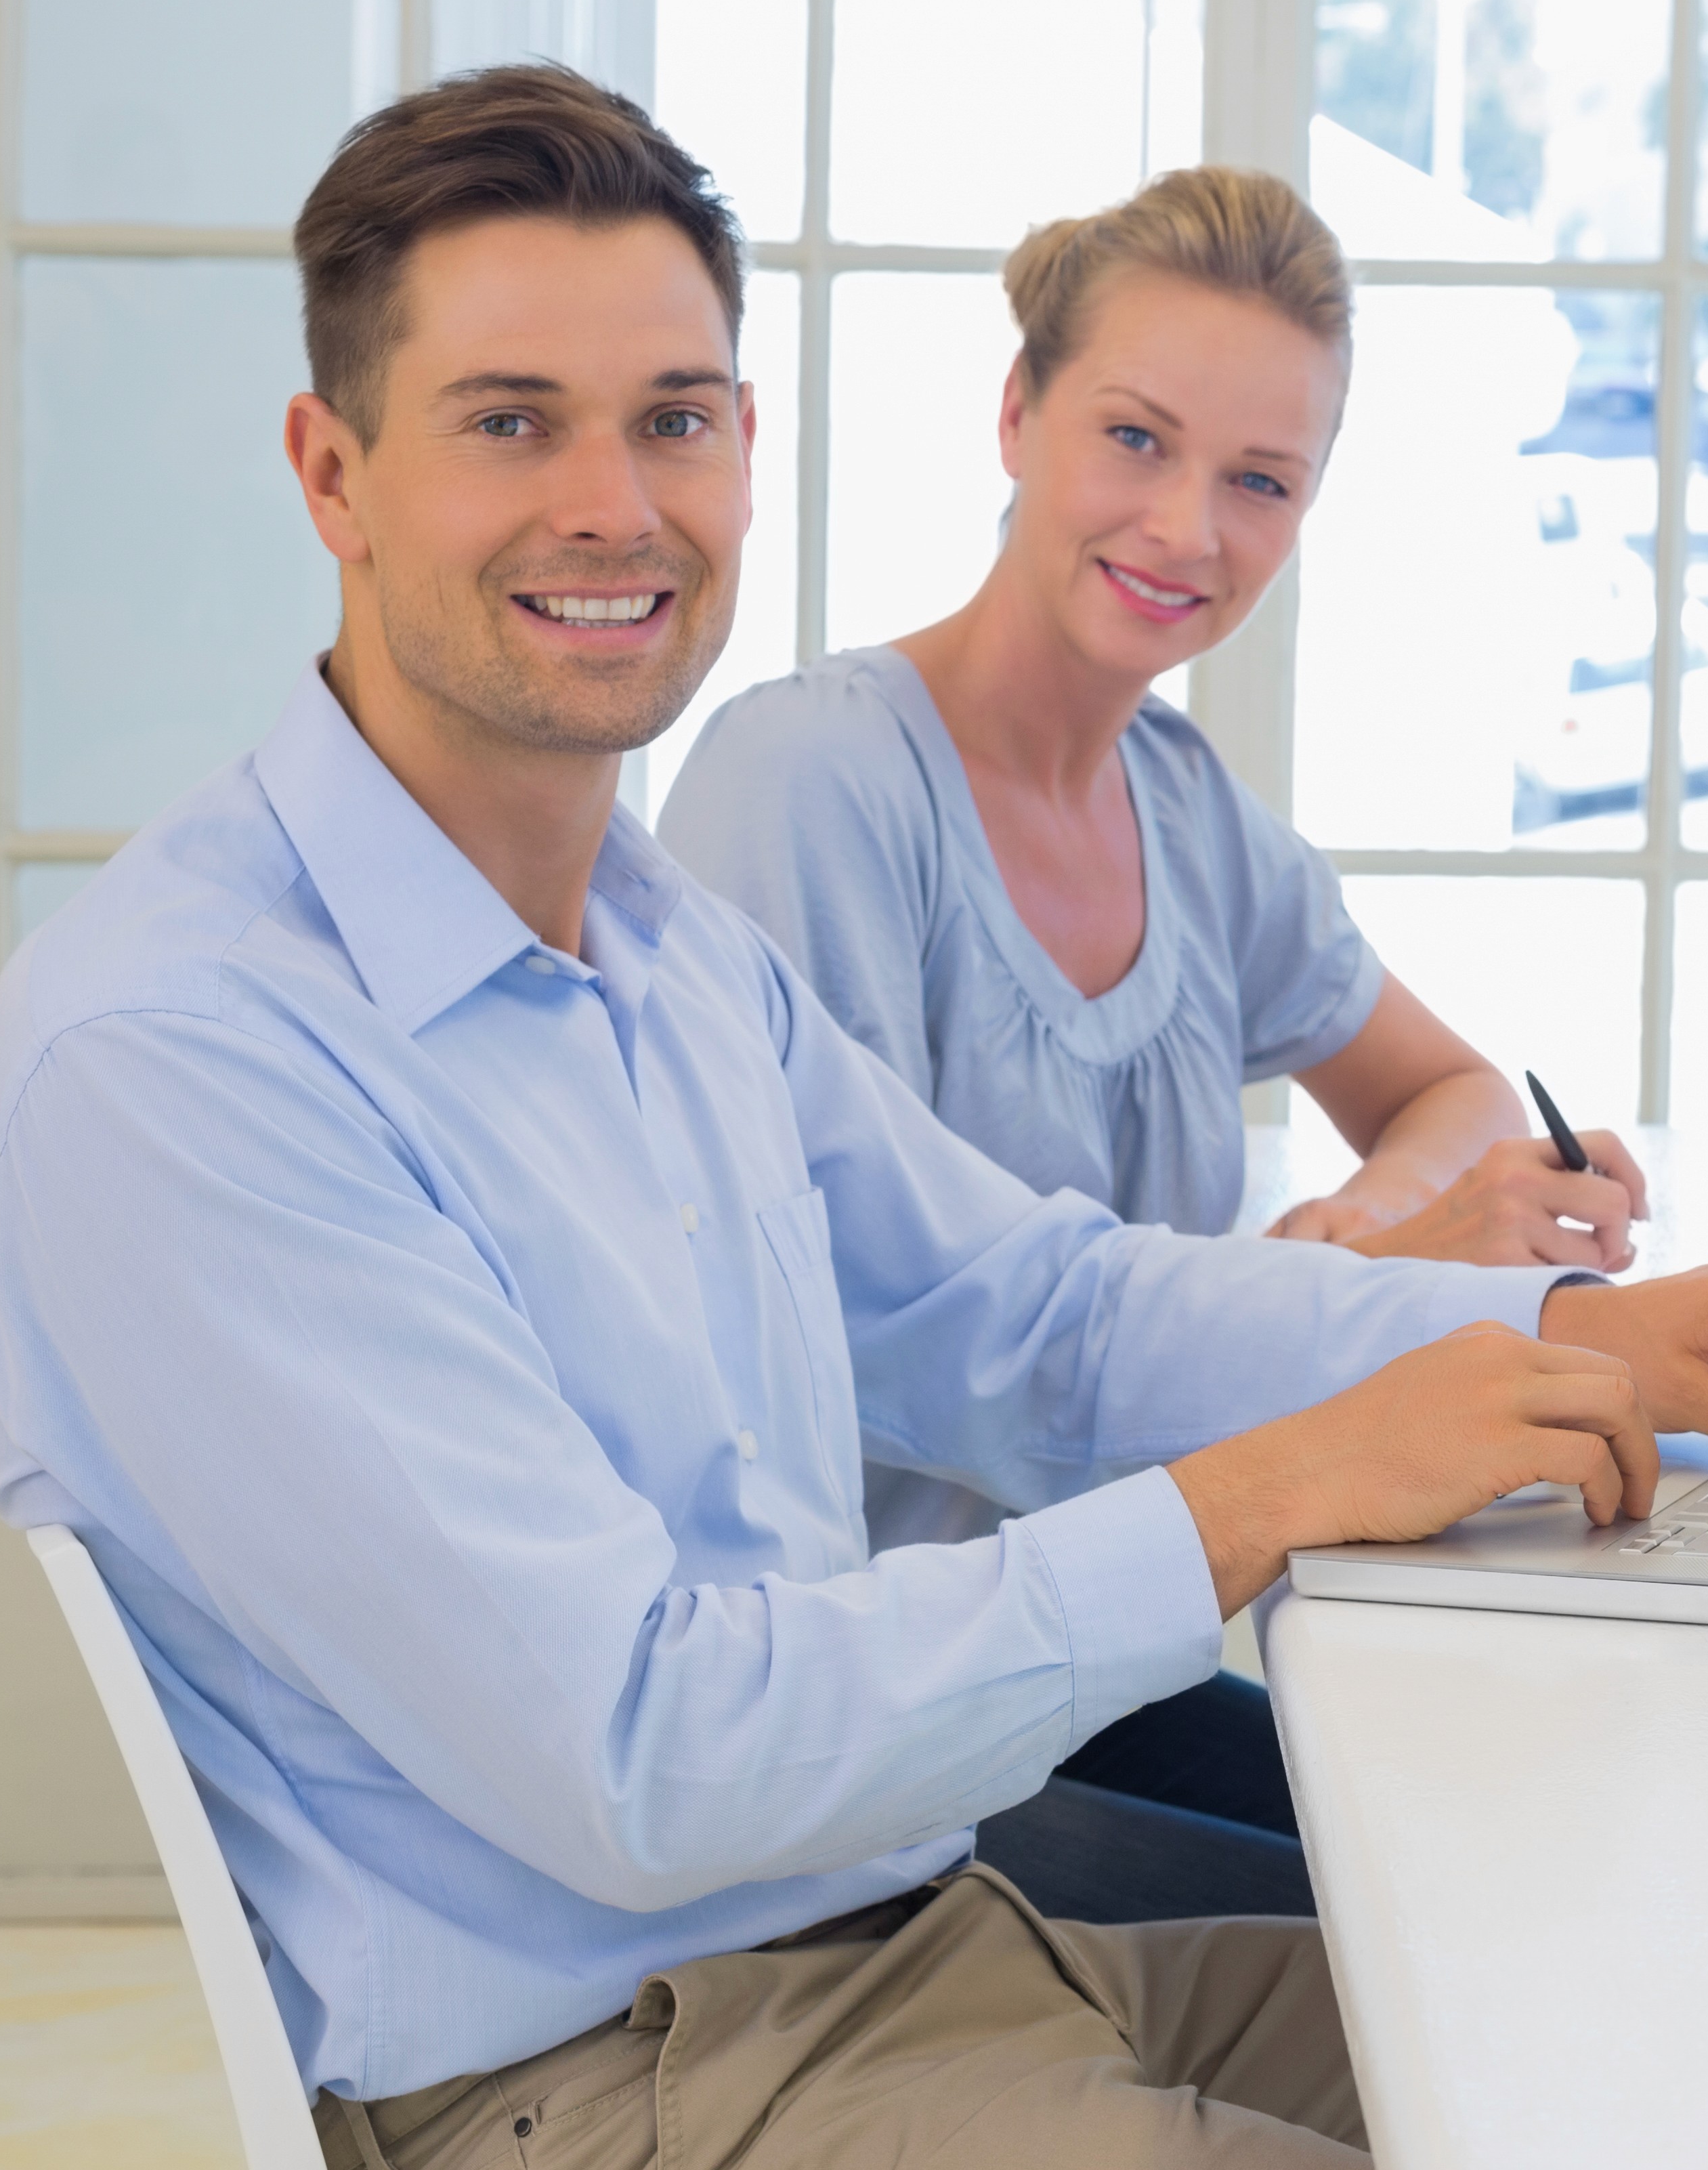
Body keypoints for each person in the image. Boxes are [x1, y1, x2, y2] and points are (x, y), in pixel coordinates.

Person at [0, 63, 1708, 2170]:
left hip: (899, 1953)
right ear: (336, 472)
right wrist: (1279, 1488)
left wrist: (1558, 1327)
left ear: (749, 449)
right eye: (513, 422)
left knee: (1680, 2085)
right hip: (603, 2113)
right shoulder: (183, 1061)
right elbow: (649, 1748)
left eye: (675, 418)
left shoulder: (661, 949)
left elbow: (1041, 1314)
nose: (615, 501)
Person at [660, 171, 1628, 1911]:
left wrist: (1382, 1219)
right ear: (1019, 415)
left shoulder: (1186, 814)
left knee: (1525, 1855)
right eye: (1136, 438)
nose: (1190, 527)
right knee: (1447, 1940)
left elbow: (1448, 1088)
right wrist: (1390, 1271)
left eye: (1261, 481)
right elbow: (893, 1340)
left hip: (1114, 1657)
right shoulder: (810, 783)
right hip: (884, 1711)